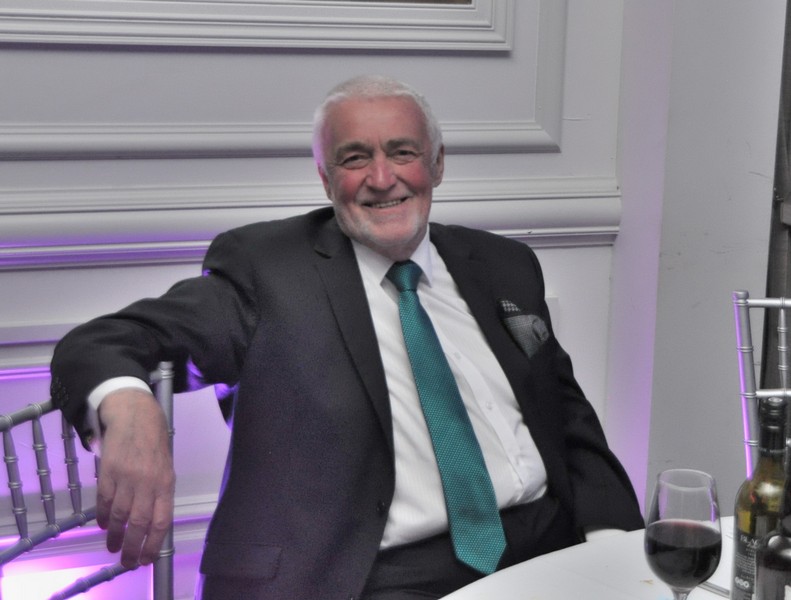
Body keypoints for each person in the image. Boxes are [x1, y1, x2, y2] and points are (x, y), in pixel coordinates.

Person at [50, 75, 643, 600]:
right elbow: (106, 340)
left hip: (546, 546)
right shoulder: (268, 271)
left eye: (403, 152)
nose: (382, 179)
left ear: (437, 164)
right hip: (378, 574)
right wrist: (127, 404)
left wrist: (611, 542)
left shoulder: (503, 264)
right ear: (326, 177)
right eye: (355, 158)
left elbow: (565, 415)